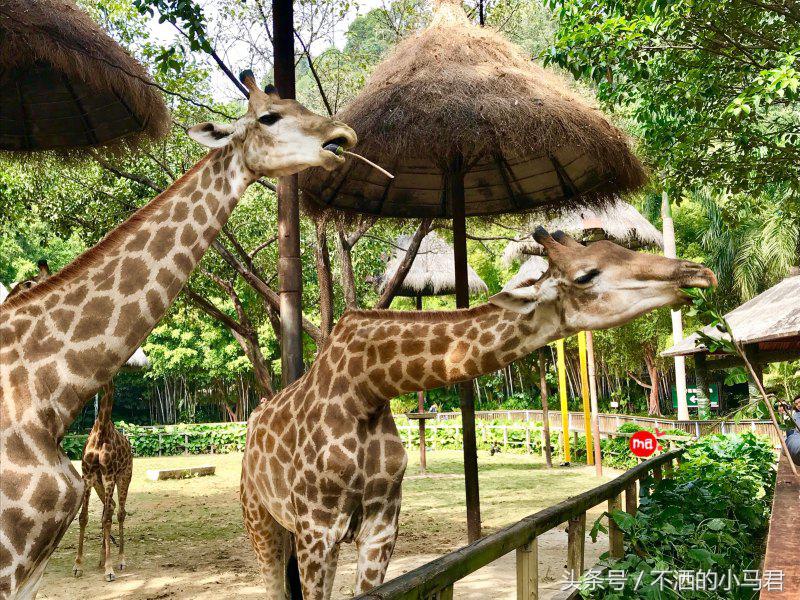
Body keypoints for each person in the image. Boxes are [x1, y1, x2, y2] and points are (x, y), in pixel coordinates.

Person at [781, 396, 800, 465]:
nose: (798, 405)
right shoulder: (796, 415)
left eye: (799, 402)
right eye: (796, 404)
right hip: (796, 438)